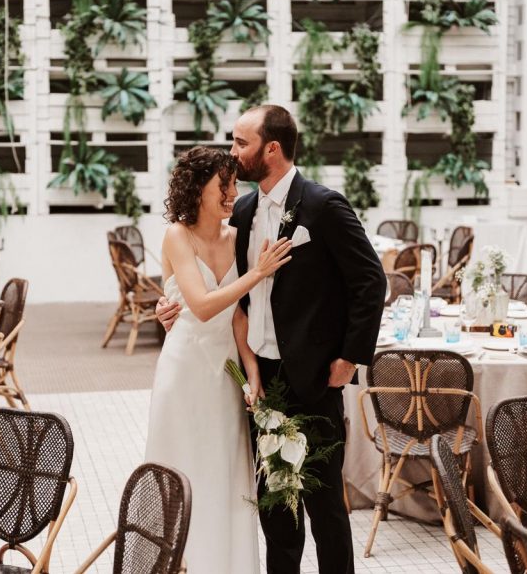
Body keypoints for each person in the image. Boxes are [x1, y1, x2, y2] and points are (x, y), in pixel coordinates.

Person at [157, 105, 387, 574]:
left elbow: (370, 282)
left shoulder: (323, 206)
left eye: (241, 143)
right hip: (262, 381)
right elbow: (232, 299)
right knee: (275, 510)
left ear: (272, 149)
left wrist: (349, 357)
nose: (234, 152)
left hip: (316, 376)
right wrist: (174, 308)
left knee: (324, 506)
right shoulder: (240, 212)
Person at [145, 145, 293, 573]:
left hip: (225, 373)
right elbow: (203, 304)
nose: (232, 193)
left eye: (233, 185)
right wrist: (257, 273)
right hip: (185, 370)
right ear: (197, 189)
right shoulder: (177, 235)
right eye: (223, 186)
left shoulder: (236, 236)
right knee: (185, 468)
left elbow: (238, 316)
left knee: (225, 474)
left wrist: (251, 374)